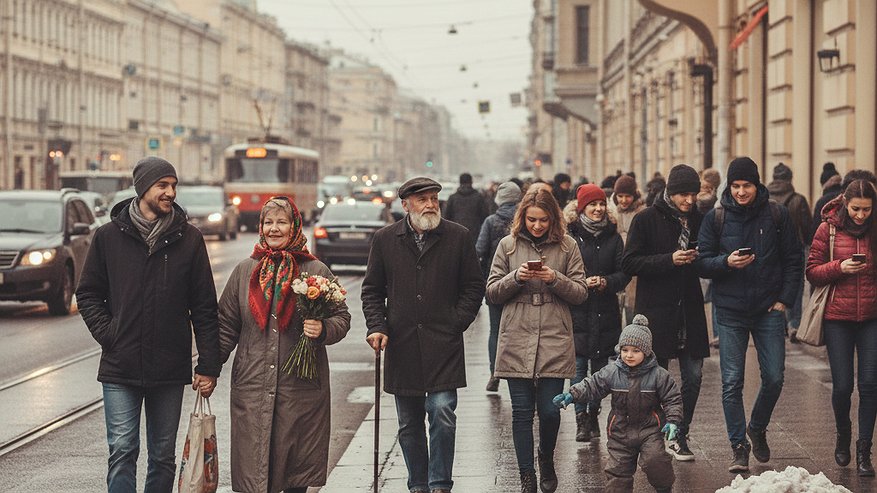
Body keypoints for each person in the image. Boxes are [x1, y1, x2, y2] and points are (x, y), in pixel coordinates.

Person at [76, 156, 220, 492]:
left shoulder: (190, 239)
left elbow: (204, 307)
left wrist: (209, 364)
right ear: (143, 189)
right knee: (123, 450)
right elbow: (88, 294)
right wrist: (109, 334)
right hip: (120, 364)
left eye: (173, 185)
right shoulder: (107, 238)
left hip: (169, 366)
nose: (170, 192)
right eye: (162, 185)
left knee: (162, 455)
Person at [217, 197, 352, 492]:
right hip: (252, 385)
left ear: (294, 226)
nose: (274, 229)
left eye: (281, 222)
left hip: (300, 389)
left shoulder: (315, 270)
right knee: (254, 473)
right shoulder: (244, 271)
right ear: (260, 227)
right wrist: (208, 368)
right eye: (268, 223)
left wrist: (324, 328)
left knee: (295, 472)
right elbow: (226, 324)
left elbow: (342, 318)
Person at [362, 177, 485, 493]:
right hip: (402, 344)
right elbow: (372, 291)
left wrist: (456, 322)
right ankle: (418, 484)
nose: (431, 205)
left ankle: (440, 483)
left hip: (443, 344)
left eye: (434, 199)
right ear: (406, 205)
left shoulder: (458, 237)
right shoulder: (385, 239)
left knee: (443, 413)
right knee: (409, 423)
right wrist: (377, 326)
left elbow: (473, 286)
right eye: (423, 200)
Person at [696, 157, 802, 473]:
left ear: (757, 185)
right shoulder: (715, 218)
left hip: (768, 309)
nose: (742, 192)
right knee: (731, 381)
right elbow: (702, 262)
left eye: (748, 185)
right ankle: (738, 447)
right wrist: (726, 262)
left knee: (774, 377)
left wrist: (785, 300)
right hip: (729, 311)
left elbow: (794, 260)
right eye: (737, 186)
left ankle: (756, 427)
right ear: (730, 186)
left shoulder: (776, 214)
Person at [486, 188, 587, 493]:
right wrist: (516, 277)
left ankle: (546, 456)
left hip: (554, 335)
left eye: (543, 220)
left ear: (553, 218)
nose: (537, 226)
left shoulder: (568, 246)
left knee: (550, 410)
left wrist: (553, 278)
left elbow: (581, 292)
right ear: (523, 218)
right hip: (516, 335)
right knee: (520, 411)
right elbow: (491, 292)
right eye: (532, 219)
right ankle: (526, 473)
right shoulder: (508, 245)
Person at [622, 163, 709, 463]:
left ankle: (679, 433)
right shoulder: (646, 218)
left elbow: (708, 255)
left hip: (690, 309)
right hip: (657, 311)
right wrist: (669, 259)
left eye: (694, 194)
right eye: (684, 194)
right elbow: (630, 262)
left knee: (694, 376)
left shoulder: (700, 219)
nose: (689, 200)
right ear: (670, 193)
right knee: (656, 378)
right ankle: (655, 432)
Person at [553, 315, 682, 493]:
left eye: (636, 351)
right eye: (625, 350)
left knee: (656, 461)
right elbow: (592, 385)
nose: (629, 355)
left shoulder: (659, 375)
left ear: (646, 351)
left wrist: (673, 421)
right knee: (617, 474)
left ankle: (664, 487)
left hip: (650, 430)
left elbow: (672, 398)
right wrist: (571, 395)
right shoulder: (612, 372)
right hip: (620, 432)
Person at [806, 179, 877, 477]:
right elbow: (812, 272)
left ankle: (864, 450)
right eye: (856, 209)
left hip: (871, 318)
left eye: (868, 210)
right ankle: (843, 434)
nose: (861, 215)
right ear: (845, 203)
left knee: (870, 385)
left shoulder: (875, 230)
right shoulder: (829, 228)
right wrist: (840, 267)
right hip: (838, 319)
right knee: (843, 386)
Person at [567, 184, 630, 442]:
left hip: (605, 312)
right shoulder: (570, 236)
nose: (598, 209)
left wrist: (606, 282)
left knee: (601, 370)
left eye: (601, 204)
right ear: (582, 207)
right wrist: (581, 283)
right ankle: (581, 418)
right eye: (592, 204)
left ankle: (594, 413)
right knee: (578, 368)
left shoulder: (614, 237)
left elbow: (624, 272)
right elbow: (563, 272)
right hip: (577, 312)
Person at [475, 181, 523, 392]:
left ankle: (495, 373)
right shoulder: (524, 220)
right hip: (522, 284)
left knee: (496, 330)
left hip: (495, 282)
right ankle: (521, 371)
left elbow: (479, 250)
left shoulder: (490, 221)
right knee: (521, 330)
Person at [767, 162, 813, 342]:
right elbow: (808, 227)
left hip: (771, 248)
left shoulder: (764, 198)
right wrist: (809, 244)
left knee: (775, 284)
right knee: (796, 285)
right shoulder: (798, 199)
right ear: (790, 178)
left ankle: (779, 322)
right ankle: (794, 323)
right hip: (795, 248)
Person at [609, 174, 645, 324]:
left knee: (633, 310)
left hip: (636, 270)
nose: (624, 200)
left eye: (627, 196)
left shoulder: (642, 213)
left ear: (634, 195)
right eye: (620, 196)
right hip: (616, 267)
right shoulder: (612, 213)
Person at [444, 172, 488, 248]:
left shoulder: (453, 198)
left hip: (456, 233)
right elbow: (484, 216)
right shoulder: (479, 197)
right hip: (475, 234)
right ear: (471, 182)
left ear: (460, 182)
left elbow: (447, 217)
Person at [812, 162, 843, 235]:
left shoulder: (822, 201)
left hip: (826, 239)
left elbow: (816, 227)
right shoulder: (845, 196)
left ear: (824, 184)